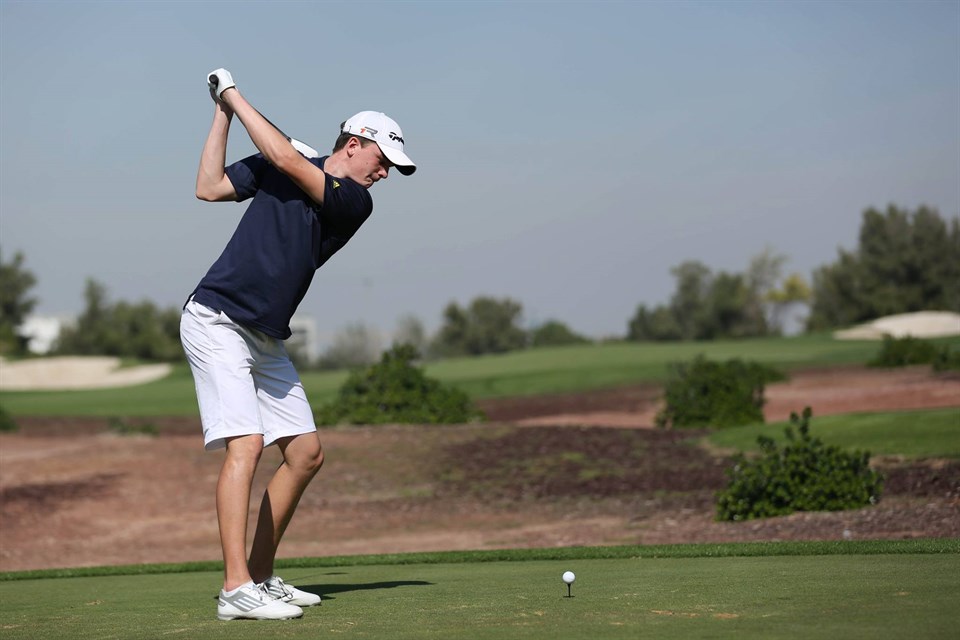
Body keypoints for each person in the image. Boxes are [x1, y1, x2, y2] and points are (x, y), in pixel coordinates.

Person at [180, 68, 415, 621]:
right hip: (217, 319)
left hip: (264, 335)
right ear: (353, 144)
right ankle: (236, 588)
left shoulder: (354, 201)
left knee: (306, 454)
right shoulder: (287, 160)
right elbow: (209, 187)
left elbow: (285, 159)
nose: (385, 172)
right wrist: (222, 112)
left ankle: (260, 576)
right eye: (382, 159)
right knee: (247, 444)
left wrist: (233, 95)